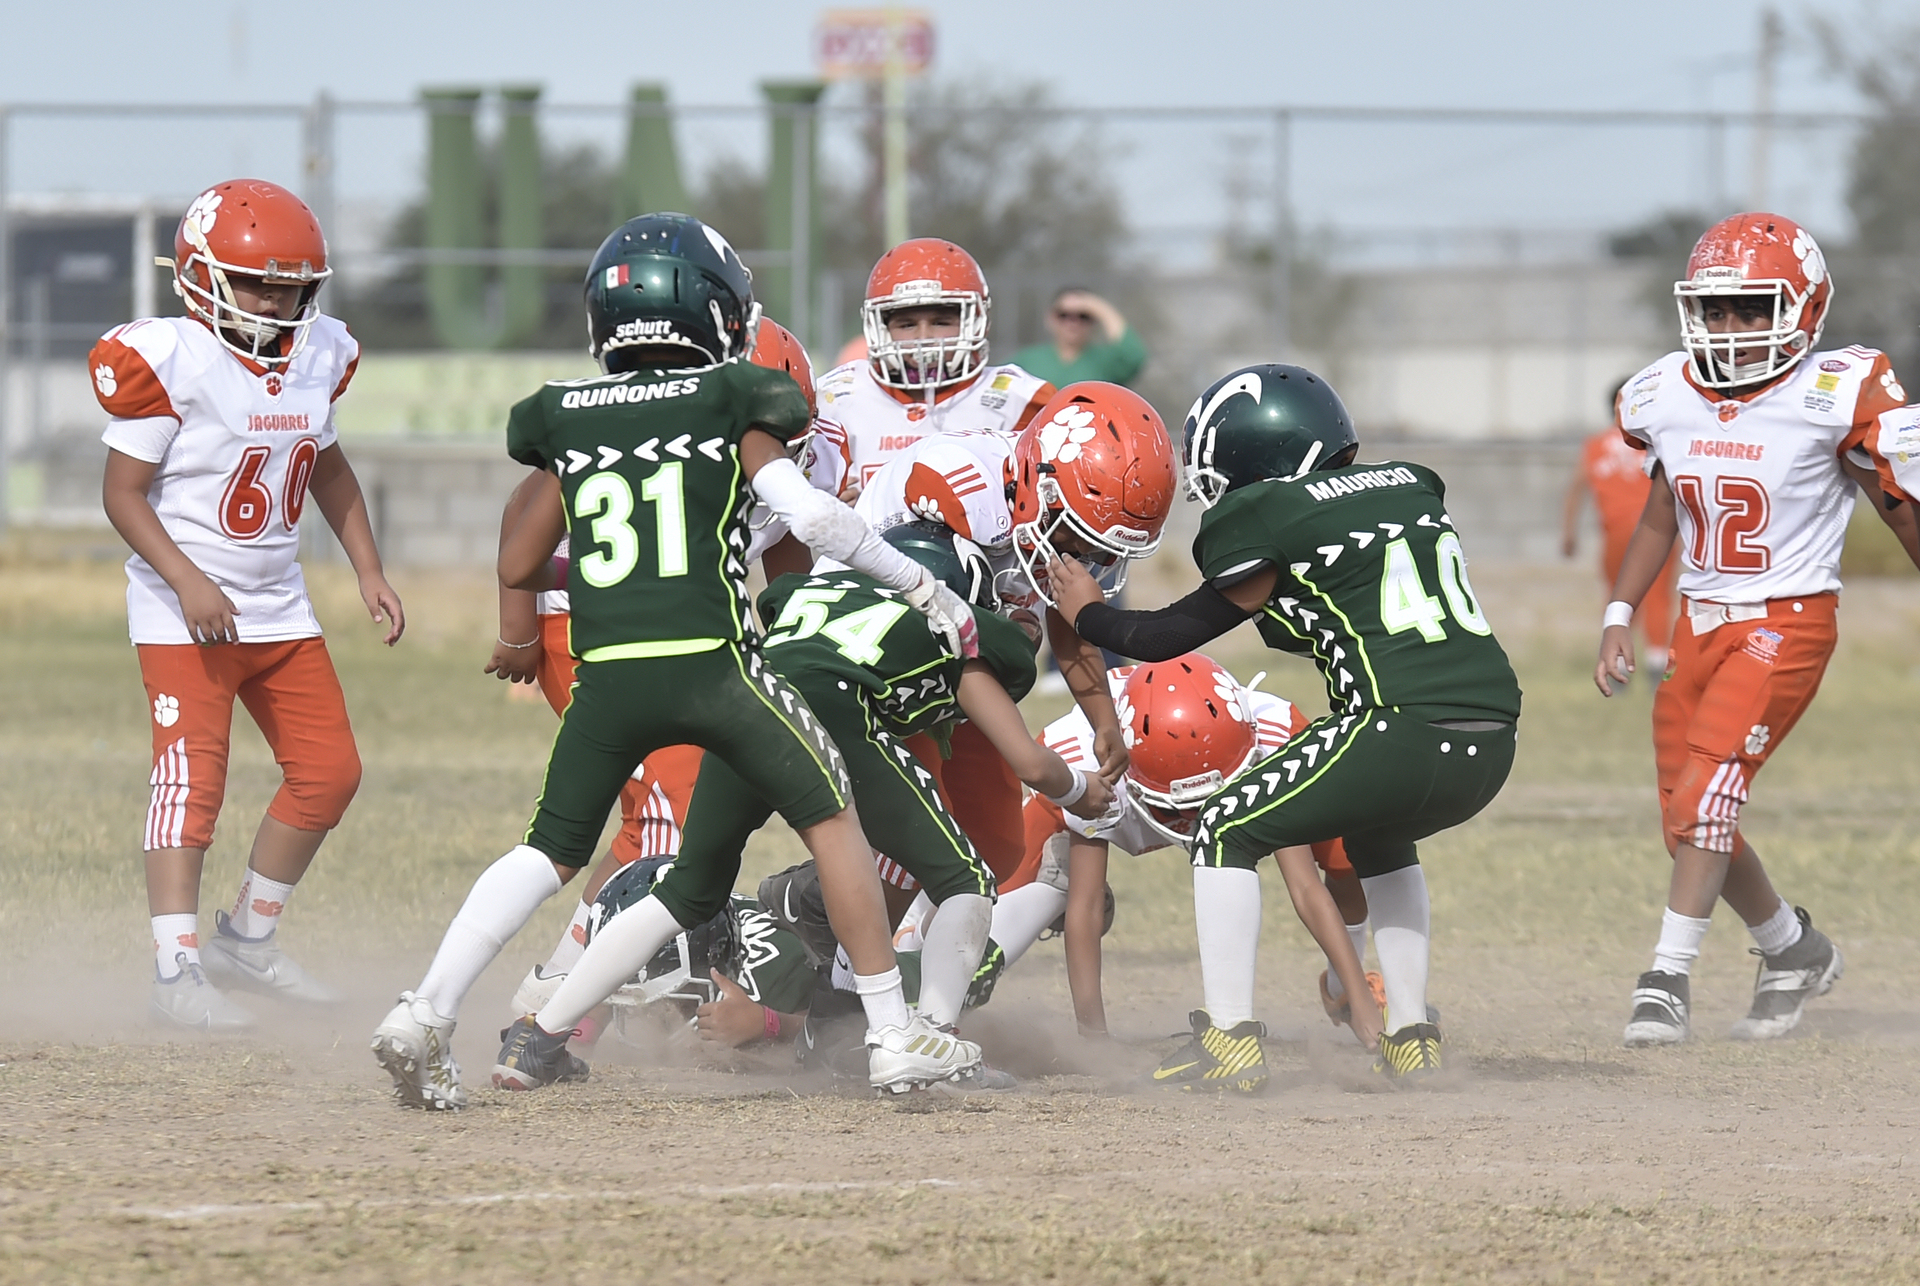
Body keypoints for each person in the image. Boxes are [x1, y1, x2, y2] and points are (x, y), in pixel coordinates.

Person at [371, 213, 985, 1109]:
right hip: (712, 670)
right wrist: (921, 587)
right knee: (833, 816)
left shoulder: (565, 413)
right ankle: (895, 1034)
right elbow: (813, 520)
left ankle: (426, 1012)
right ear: (718, 313)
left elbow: (517, 556)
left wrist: (512, 632)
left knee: (546, 849)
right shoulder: (733, 400)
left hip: (605, 675)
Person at [495, 525, 1112, 1092]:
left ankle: (539, 1034)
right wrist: (1080, 789)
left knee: (686, 891)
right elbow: (1030, 764)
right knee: (967, 879)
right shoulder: (950, 623)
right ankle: (930, 1041)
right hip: (834, 715)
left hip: (749, 708)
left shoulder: (800, 595)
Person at [1052, 362, 1522, 1086]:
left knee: (1226, 824)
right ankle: (1411, 1034)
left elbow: (1162, 635)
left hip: (1398, 726)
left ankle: (1231, 1039)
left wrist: (1087, 612)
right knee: (1379, 834)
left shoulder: (1269, 512)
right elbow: (1324, 612)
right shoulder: (1411, 483)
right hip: (1493, 738)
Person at [1596, 212, 1920, 1047]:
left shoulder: (1837, 390)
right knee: (1688, 818)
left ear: (1803, 309)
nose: (1731, 328)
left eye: (1750, 308)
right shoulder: (1664, 391)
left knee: (1709, 796)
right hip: (1697, 625)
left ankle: (1665, 976)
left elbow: (1899, 506)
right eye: (1717, 310)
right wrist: (1619, 612)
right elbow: (1663, 511)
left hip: (1789, 620)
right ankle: (1792, 949)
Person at [92, 179, 403, 1032]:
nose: (279, 301)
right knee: (190, 782)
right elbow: (124, 495)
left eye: (294, 285)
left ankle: (249, 936)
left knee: (330, 771)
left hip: (279, 607)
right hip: (180, 612)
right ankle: (174, 968)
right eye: (260, 282)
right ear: (202, 276)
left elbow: (327, 467)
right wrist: (188, 579)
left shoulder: (317, 354)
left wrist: (367, 569)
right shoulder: (172, 359)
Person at [483, 319, 832, 1034]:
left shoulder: (793, 458)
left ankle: (559, 984)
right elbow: (523, 513)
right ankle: (563, 1001)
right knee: (673, 805)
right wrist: (516, 630)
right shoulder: (642, 425)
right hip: (589, 621)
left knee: (655, 814)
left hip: (679, 637)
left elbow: (788, 574)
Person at [842, 382, 1177, 882]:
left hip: (953, 669)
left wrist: (1105, 723)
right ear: (1038, 486)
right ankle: (832, 929)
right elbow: (949, 647)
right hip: (880, 662)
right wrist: (1043, 768)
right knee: (919, 841)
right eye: (1078, 536)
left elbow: (1068, 619)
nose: (1088, 558)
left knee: (994, 847)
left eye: (1105, 549)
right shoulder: (958, 490)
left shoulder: (1045, 507)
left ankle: (899, 947)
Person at [991, 653, 1380, 1050]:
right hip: (1114, 772)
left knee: (1347, 856)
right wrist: (1093, 1037)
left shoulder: (1269, 738)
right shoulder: (1094, 766)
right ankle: (940, 991)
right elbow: (1086, 907)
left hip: (1201, 754)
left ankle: (1344, 988)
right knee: (997, 888)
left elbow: (1305, 887)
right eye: (1183, 805)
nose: (1197, 814)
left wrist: (1361, 1000)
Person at [813, 238, 1055, 502]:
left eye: (941, 322)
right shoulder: (835, 399)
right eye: (906, 325)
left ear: (974, 322)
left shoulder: (1021, 401)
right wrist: (827, 504)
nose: (924, 337)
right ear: (880, 328)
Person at [1563, 383, 1678, 671]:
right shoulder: (1659, 443)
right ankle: (1656, 659)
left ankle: (1616, 661)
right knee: (1657, 594)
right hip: (1655, 530)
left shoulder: (1595, 445)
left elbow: (1577, 488)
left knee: (1618, 593)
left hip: (1615, 532)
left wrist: (1568, 532)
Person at [1010, 288, 1147, 391]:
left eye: (1083, 316)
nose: (1073, 322)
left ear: (1094, 320)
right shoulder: (1027, 360)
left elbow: (1133, 356)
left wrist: (1098, 306)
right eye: (1064, 315)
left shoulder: (1104, 361)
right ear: (1050, 318)